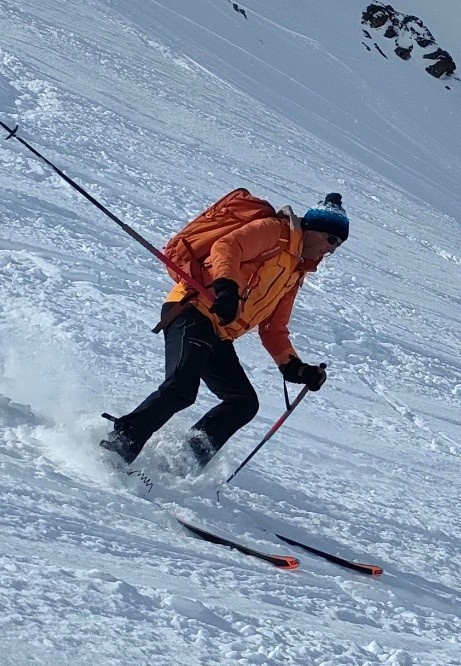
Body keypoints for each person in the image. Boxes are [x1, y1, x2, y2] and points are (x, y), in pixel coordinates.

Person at [100, 192, 347, 468]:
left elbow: (274, 327)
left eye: (338, 245)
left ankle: (182, 463)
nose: (332, 249)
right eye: (332, 240)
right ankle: (121, 444)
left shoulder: (294, 270)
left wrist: (294, 367)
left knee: (243, 403)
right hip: (191, 309)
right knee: (181, 388)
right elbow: (227, 247)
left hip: (218, 331)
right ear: (315, 229)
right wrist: (226, 288)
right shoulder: (276, 232)